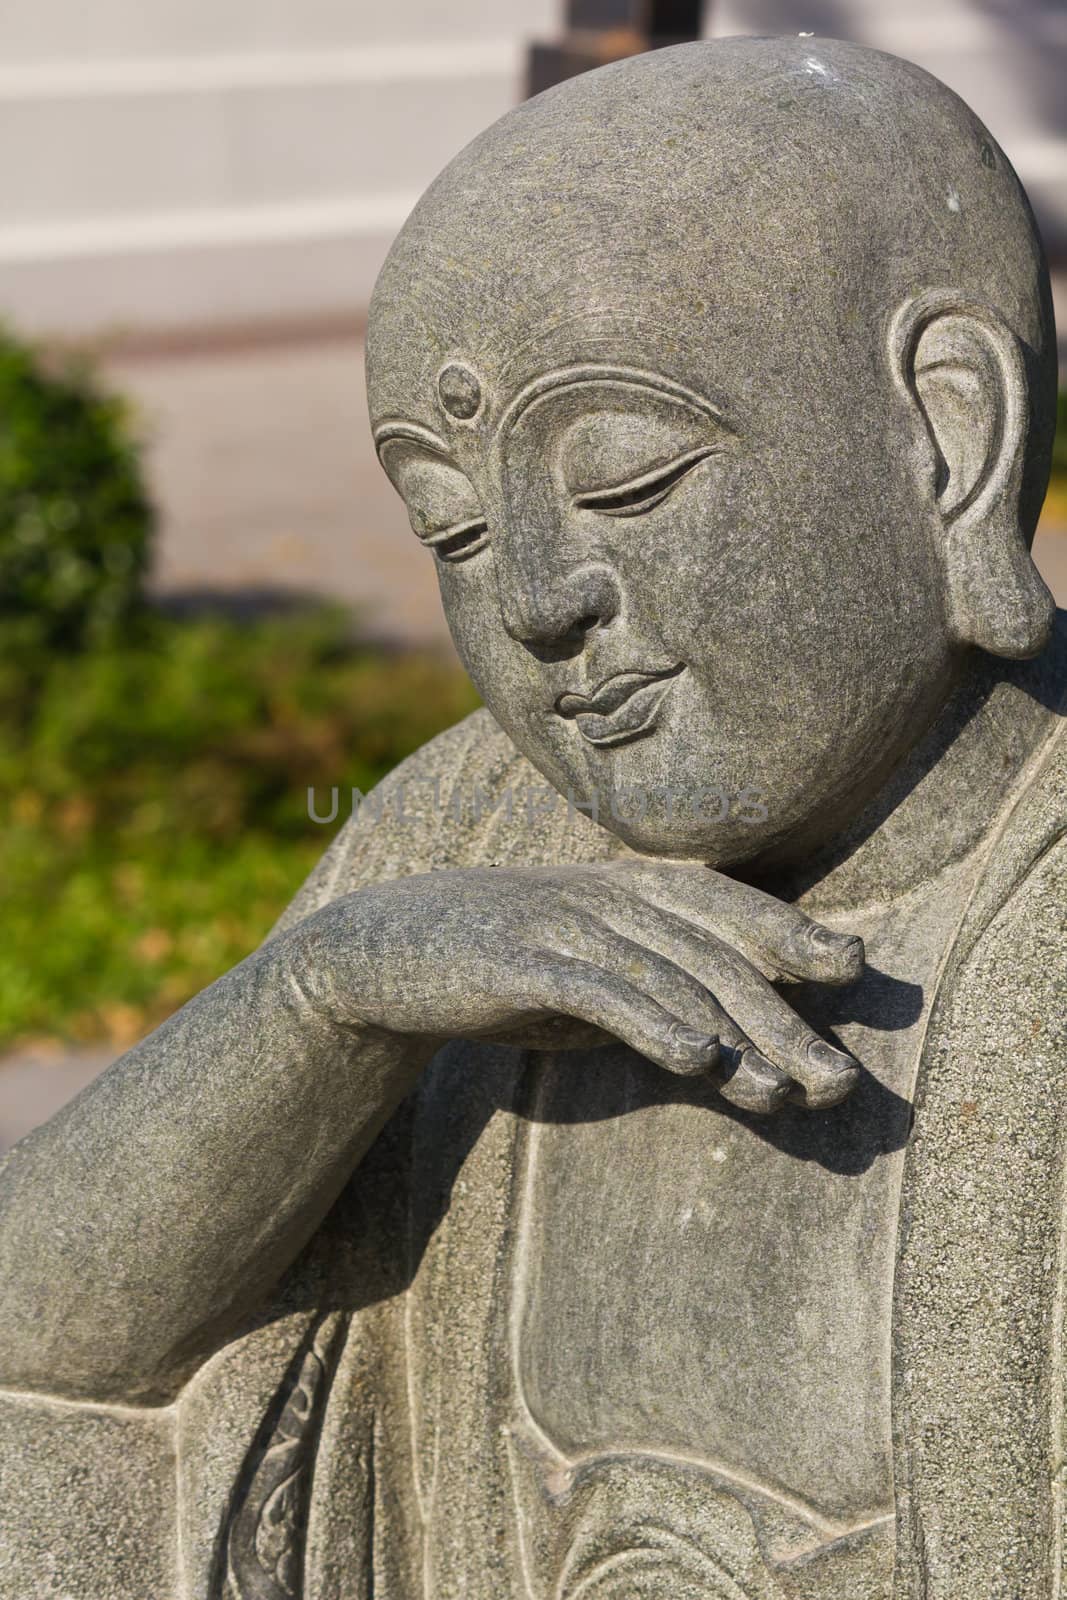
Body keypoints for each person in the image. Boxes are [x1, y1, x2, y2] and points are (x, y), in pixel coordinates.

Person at [1, 36, 1063, 1600]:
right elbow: (41, 1346)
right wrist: (329, 1000)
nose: (540, 603)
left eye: (628, 481)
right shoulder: (468, 831)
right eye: (458, 527)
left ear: (948, 437)